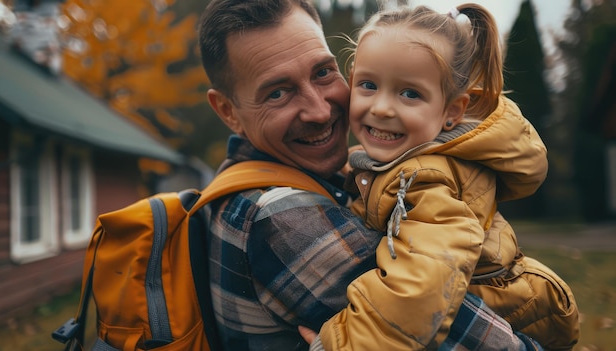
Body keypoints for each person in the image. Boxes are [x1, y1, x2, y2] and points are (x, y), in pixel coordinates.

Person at [198, 0, 545, 350]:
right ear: (228, 111)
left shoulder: (348, 175)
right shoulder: (278, 216)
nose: (320, 112)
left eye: (322, 72)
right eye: (277, 92)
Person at [311, 3, 579, 350]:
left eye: (410, 93)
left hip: (504, 314)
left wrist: (343, 345)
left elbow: (419, 289)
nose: (381, 107)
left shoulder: (422, 178)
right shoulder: (400, 162)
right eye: (368, 85)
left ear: (451, 111)